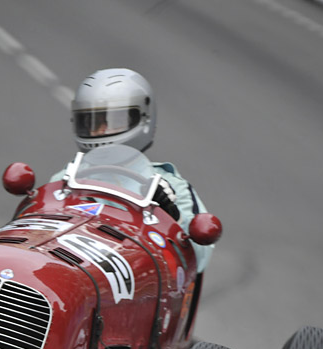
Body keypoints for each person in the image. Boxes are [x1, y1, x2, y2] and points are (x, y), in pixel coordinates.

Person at [52, 68, 213, 271]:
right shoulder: (65, 181)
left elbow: (199, 261)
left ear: (143, 118)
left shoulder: (172, 186)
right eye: (93, 122)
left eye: (113, 121)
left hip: (144, 285)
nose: (101, 131)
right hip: (78, 277)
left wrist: (172, 216)